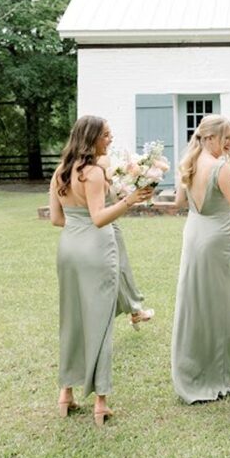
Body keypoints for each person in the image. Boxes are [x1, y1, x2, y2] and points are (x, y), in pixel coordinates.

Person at [49, 116, 153, 425]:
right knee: (100, 324)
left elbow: (56, 219)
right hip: (96, 250)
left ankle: (65, 394)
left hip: (68, 249)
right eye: (106, 135)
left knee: (72, 320)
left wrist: (78, 231)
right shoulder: (92, 173)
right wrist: (129, 201)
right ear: (92, 138)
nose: (110, 139)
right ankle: (100, 403)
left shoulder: (60, 171)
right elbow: (98, 217)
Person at [172, 115, 230, 403]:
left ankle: (192, 366)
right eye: (225, 138)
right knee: (221, 304)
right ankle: (221, 373)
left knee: (196, 300)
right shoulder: (221, 167)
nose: (229, 143)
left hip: (194, 233)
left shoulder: (188, 163)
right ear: (209, 138)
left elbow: (177, 203)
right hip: (218, 238)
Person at [98, 154, 155, 330]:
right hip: (106, 221)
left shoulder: (86, 163)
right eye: (106, 134)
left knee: (118, 268)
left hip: (105, 219)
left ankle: (135, 311)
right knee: (120, 267)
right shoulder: (101, 162)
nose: (110, 138)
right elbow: (110, 194)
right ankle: (135, 310)